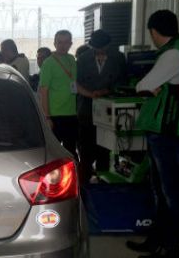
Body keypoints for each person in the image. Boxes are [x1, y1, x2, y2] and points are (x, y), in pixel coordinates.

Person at [126, 10, 179, 258]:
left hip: (168, 132)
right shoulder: (176, 51)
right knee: (159, 189)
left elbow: (141, 85)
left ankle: (170, 248)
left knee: (169, 193)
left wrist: (148, 86)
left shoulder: (173, 55)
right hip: (164, 130)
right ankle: (156, 240)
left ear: (155, 32)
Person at [76, 29, 127, 183]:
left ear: (108, 45)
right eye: (96, 48)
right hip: (86, 106)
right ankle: (84, 179)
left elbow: (123, 80)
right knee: (85, 143)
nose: (99, 51)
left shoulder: (118, 57)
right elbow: (75, 82)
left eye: (102, 48)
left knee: (105, 143)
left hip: (108, 106)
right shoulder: (83, 59)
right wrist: (90, 93)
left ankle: (104, 176)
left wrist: (108, 90)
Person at [39, 30, 78, 158]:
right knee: (53, 154)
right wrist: (47, 117)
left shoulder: (72, 59)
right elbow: (43, 91)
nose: (63, 45)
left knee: (71, 151)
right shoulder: (48, 63)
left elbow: (74, 84)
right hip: (55, 115)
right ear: (54, 43)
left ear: (71, 44)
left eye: (66, 42)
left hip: (71, 113)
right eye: (60, 42)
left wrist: (92, 94)